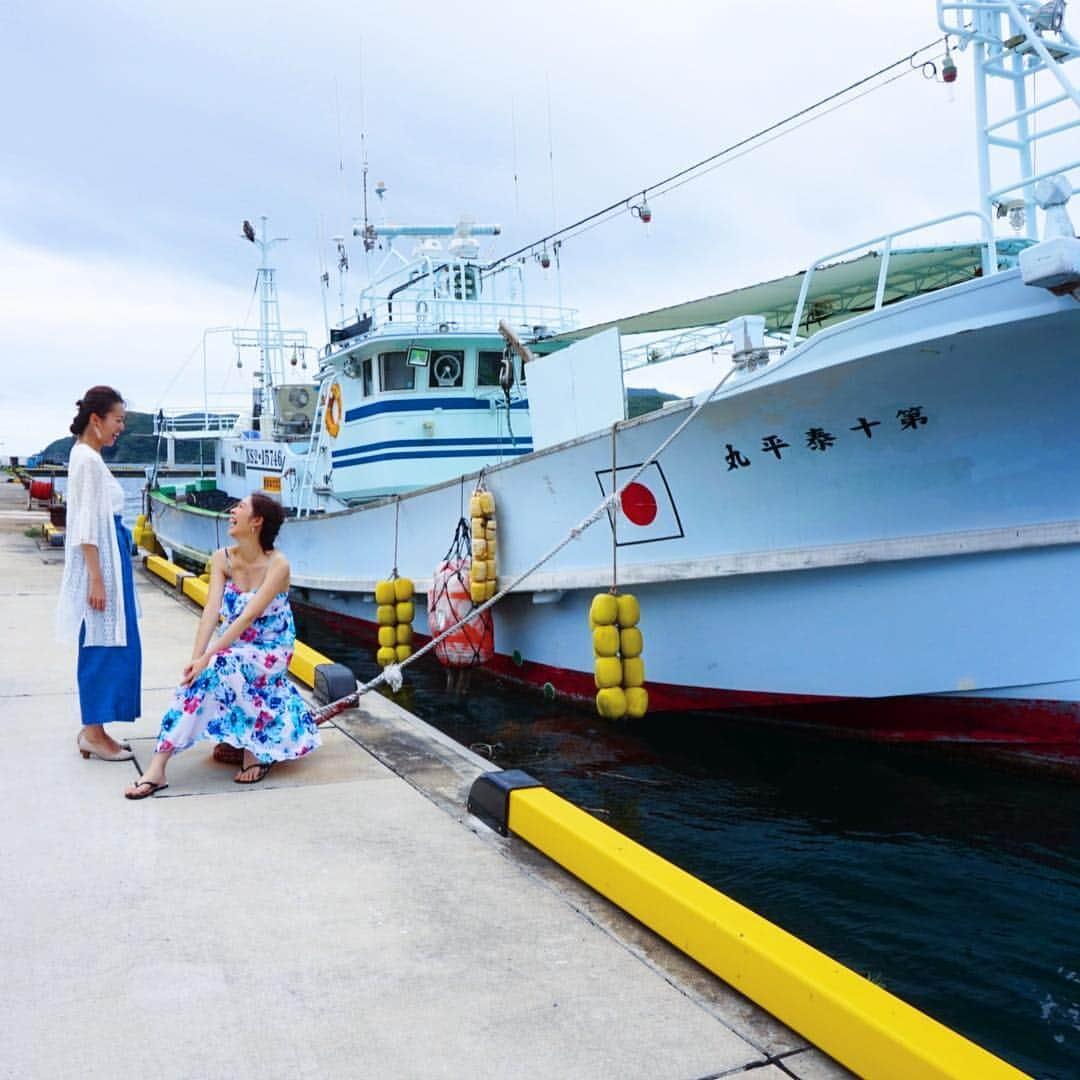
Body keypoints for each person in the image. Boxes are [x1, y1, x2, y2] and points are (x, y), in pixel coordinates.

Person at [125, 492, 320, 798]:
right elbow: (211, 612)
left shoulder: (278, 565)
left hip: (270, 649)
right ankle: (158, 767)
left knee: (221, 663)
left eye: (240, 507)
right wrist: (196, 661)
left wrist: (209, 657)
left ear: (256, 522)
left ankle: (253, 750)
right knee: (204, 673)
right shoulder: (222, 558)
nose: (232, 511)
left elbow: (248, 616)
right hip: (233, 647)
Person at [57, 386, 140, 762]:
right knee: (102, 645)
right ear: (97, 419)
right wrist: (97, 577)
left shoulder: (87, 456)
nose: (120, 426)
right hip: (102, 562)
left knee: (111, 644)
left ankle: (97, 729)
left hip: (108, 557)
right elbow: (85, 524)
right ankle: (93, 732)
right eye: (118, 419)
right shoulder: (86, 460)